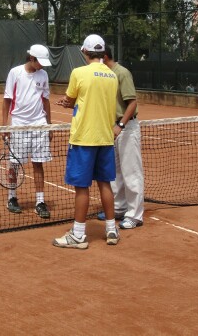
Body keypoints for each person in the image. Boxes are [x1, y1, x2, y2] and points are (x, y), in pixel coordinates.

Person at [53, 34, 119, 249]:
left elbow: (71, 99)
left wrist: (66, 103)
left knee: (81, 188)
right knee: (105, 184)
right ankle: (111, 229)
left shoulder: (78, 73)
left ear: (85, 52)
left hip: (83, 138)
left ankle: (79, 235)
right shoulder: (112, 75)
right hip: (105, 138)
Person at [1, 44, 53, 219]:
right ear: (31, 58)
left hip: (39, 124)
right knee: (14, 163)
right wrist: (5, 125)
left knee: (38, 163)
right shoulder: (15, 73)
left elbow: (45, 101)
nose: (43, 65)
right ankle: (12, 197)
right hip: (19, 123)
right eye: (40, 62)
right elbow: (7, 100)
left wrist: (49, 124)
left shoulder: (44, 74)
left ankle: (40, 201)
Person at [99, 46, 144, 230]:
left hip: (126, 127)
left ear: (105, 57)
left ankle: (135, 215)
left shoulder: (122, 73)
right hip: (112, 128)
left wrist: (121, 125)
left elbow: (132, 102)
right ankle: (119, 208)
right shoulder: (105, 75)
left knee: (131, 172)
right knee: (115, 172)